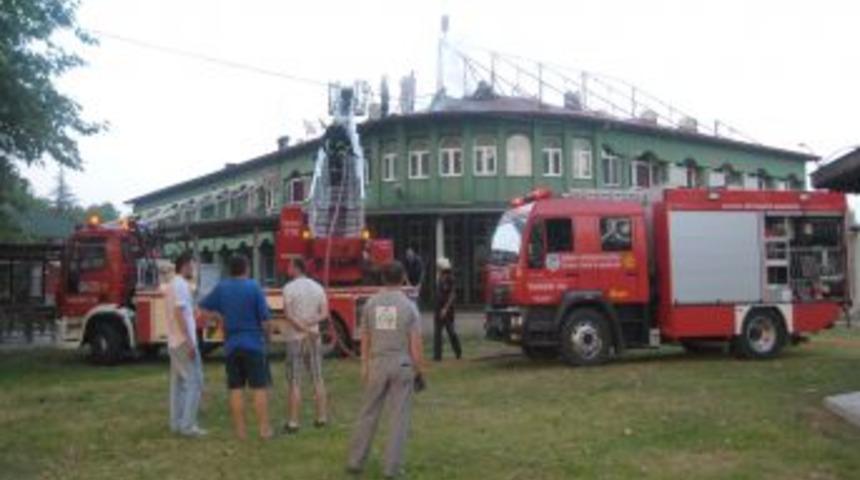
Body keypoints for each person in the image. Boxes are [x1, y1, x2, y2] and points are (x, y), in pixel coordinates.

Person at [347, 261, 425, 479]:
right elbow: (415, 346)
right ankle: (392, 468)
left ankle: (355, 461)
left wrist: (364, 365)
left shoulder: (371, 304)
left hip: (377, 363)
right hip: (401, 364)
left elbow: (365, 337)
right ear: (402, 279)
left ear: (382, 279)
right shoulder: (410, 306)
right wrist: (419, 371)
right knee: (399, 417)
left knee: (368, 413)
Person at [199, 255, 273, 439]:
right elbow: (265, 320)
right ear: (246, 268)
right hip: (253, 344)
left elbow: (202, 308)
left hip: (232, 345)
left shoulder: (222, 287)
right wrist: (268, 338)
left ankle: (241, 432)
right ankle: (264, 430)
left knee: (236, 389)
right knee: (259, 387)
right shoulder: (254, 287)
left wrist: (218, 317)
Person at [281, 257, 329, 434]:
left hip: (295, 338)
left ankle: (293, 422)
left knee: (295, 380)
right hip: (314, 337)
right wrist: (311, 325)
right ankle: (322, 417)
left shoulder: (288, 288)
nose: (287, 268)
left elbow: (289, 315)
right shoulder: (318, 287)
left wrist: (303, 327)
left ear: (296, 268)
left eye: (289, 266)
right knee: (317, 376)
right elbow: (324, 313)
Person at [167, 252, 207, 437]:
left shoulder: (172, 285)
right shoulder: (181, 285)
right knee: (195, 382)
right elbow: (179, 313)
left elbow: (183, 312)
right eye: (192, 265)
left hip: (174, 341)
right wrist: (191, 342)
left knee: (178, 384)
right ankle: (188, 426)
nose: (194, 269)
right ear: (185, 265)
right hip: (184, 342)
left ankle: (176, 423)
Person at [433, 257, 461, 361]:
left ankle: (458, 351)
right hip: (438, 307)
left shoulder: (450, 278)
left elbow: (452, 295)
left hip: (447, 310)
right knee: (437, 333)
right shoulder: (439, 277)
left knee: (451, 331)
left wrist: (445, 308)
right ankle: (437, 356)